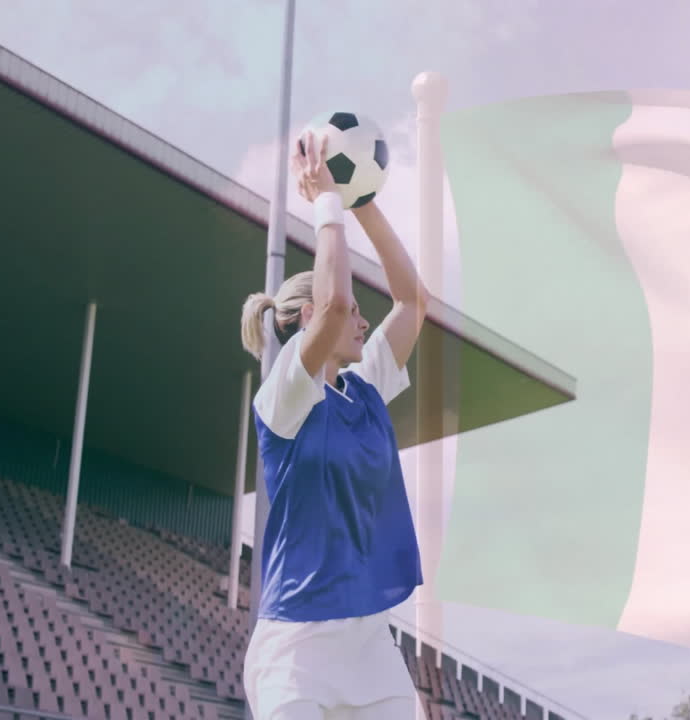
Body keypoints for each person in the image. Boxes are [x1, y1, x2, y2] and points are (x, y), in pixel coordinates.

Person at [238, 129, 427, 720]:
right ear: (306, 319)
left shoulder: (364, 387)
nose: (363, 322)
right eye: (348, 313)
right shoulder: (285, 395)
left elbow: (413, 302)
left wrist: (362, 200)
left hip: (370, 641)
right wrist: (323, 203)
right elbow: (342, 302)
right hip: (297, 645)